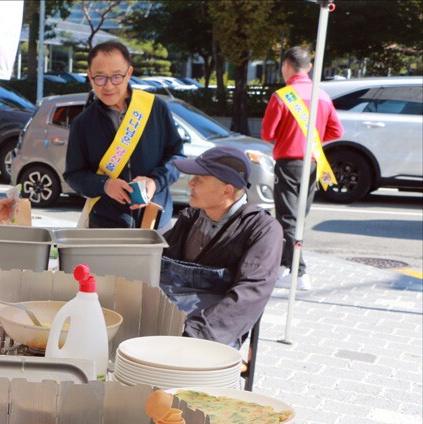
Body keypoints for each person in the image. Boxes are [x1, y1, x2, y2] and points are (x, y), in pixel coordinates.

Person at [160, 147, 284, 347]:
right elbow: (158, 262)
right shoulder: (190, 218)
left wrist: (195, 334)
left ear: (227, 190)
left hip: (213, 334)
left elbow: (251, 292)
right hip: (169, 318)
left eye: (200, 179)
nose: (191, 183)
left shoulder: (262, 229)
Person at [64, 40, 184, 229]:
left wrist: (155, 182)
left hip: (156, 220)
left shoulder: (155, 108)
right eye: (100, 78)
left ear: (129, 73)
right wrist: (104, 185)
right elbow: (73, 175)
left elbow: (176, 156)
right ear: (89, 76)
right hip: (106, 225)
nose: (108, 86)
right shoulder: (82, 123)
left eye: (116, 77)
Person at [261, 46, 343, 291]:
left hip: (288, 163)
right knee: (297, 218)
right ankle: (286, 265)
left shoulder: (282, 96)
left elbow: (267, 134)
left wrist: (290, 136)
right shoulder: (323, 96)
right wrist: (311, 138)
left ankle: (299, 272)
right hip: (313, 163)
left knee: (287, 218)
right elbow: (336, 131)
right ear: (309, 67)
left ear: (286, 65)